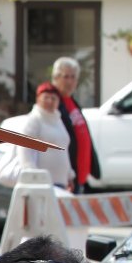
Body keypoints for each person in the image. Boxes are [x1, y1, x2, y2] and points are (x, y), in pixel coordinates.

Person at [50, 57, 99, 194]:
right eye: (66, 77)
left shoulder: (71, 101)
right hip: (66, 178)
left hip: (80, 177)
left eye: (73, 77)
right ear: (56, 77)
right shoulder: (53, 104)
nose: (70, 81)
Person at [15, 82, 76, 190]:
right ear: (38, 99)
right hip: (42, 183)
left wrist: (69, 175)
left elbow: (64, 149)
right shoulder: (34, 120)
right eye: (46, 97)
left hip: (60, 182)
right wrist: (32, 174)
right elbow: (24, 148)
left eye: (53, 98)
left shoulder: (58, 120)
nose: (50, 101)